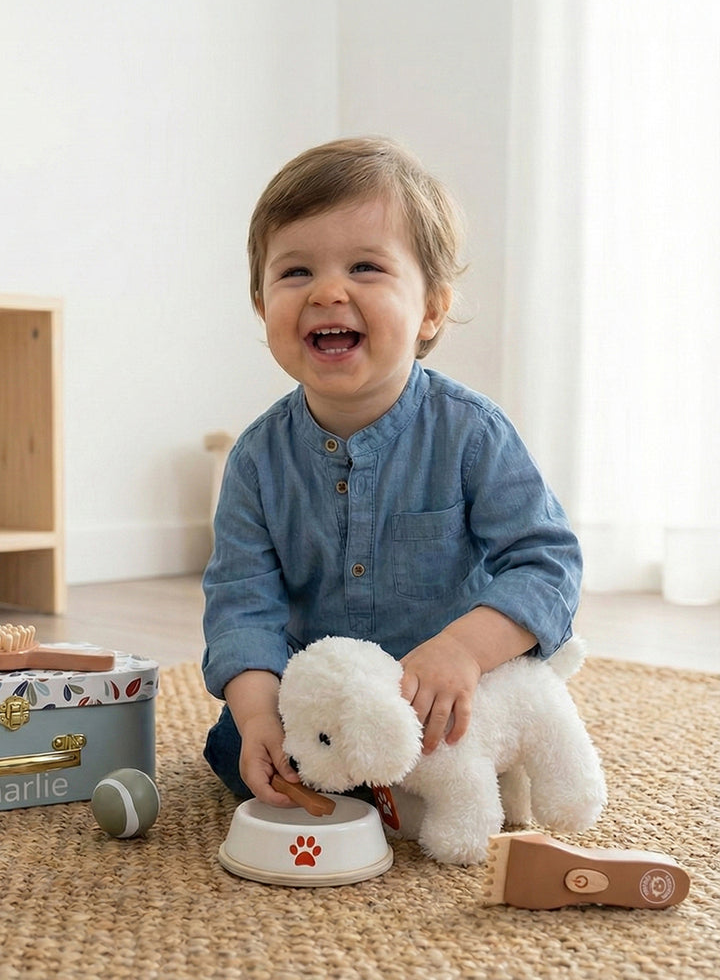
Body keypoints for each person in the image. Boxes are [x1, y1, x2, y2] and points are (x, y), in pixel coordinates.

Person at [201, 136, 582, 808]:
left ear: (431, 308)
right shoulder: (256, 460)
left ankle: (442, 777)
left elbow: (547, 565)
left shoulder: (472, 433)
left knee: (473, 733)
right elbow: (242, 603)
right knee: (234, 746)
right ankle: (382, 786)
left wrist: (463, 650)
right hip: (326, 698)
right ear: (262, 305)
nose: (327, 291)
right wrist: (259, 715)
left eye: (366, 267)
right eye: (295, 272)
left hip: (442, 693)